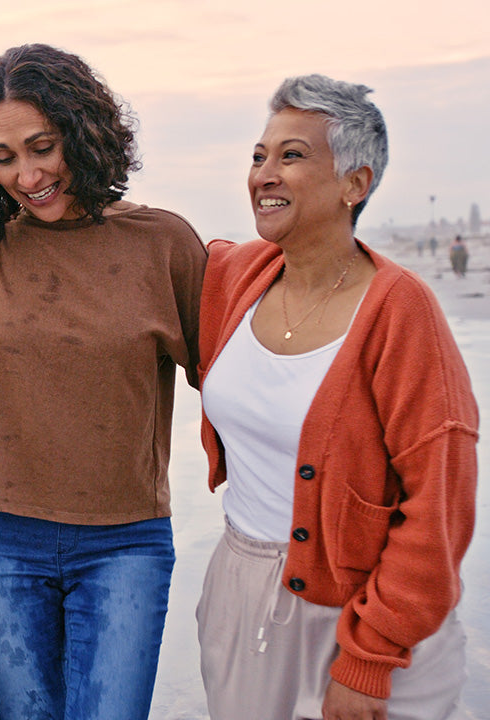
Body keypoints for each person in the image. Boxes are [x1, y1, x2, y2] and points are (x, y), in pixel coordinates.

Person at [196, 74, 477, 720]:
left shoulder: (402, 313)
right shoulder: (237, 277)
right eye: (259, 156)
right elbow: (141, 250)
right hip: (243, 596)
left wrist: (368, 659)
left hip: (368, 614)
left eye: (292, 156)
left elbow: (438, 508)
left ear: (357, 183)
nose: (264, 173)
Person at [0, 43, 206, 719]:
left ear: (84, 134)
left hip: (125, 543)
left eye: (43, 147)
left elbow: (232, 381)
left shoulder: (164, 243)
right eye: (4, 157)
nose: (28, 175)